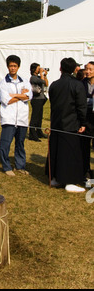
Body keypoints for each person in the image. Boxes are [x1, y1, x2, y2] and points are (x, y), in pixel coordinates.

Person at [46, 57, 87, 193]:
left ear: (60, 68)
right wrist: (83, 122)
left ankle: (55, 177)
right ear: (75, 69)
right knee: (69, 152)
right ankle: (69, 181)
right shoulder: (77, 85)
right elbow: (81, 106)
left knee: (57, 150)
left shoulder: (54, 84)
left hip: (57, 121)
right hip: (71, 123)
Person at [0, 55, 33, 176]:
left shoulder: (25, 81)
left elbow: (29, 96)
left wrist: (13, 95)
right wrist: (20, 95)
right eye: (11, 66)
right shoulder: (3, 83)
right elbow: (5, 100)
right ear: (7, 67)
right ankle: (7, 166)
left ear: (18, 67)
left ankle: (20, 166)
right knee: (5, 144)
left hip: (22, 118)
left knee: (20, 143)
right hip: (9, 118)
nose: (13, 68)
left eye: (15, 66)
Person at [80, 61, 94, 183]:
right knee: (84, 147)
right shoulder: (82, 84)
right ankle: (86, 171)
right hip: (85, 120)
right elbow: (80, 101)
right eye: (86, 69)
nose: (87, 71)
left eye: (90, 69)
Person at [28, 63, 49, 141]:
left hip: (41, 99)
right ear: (34, 69)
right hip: (36, 99)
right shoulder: (33, 78)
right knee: (35, 117)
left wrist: (45, 75)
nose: (39, 69)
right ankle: (32, 134)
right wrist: (41, 73)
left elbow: (46, 83)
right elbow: (42, 82)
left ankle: (39, 131)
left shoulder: (39, 77)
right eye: (38, 68)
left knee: (40, 117)